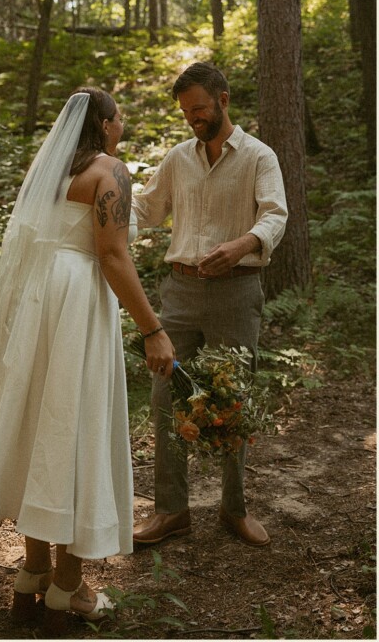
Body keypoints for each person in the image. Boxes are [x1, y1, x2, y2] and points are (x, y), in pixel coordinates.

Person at [0, 89, 176, 631]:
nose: (123, 128)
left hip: (36, 302)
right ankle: (67, 588)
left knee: (38, 426)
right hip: (77, 303)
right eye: (119, 120)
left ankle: (33, 575)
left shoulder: (47, 172)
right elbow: (113, 254)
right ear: (104, 124)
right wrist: (153, 330)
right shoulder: (109, 171)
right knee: (74, 427)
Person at [131, 62, 287, 548]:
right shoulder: (178, 158)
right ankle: (171, 512)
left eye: (199, 108)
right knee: (165, 399)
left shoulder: (260, 157)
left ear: (223, 100)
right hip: (178, 295)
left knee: (232, 400)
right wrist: (98, 197)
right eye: (185, 112)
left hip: (237, 293)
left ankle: (233, 509)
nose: (192, 119)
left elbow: (276, 214)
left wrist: (241, 246)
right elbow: (145, 209)